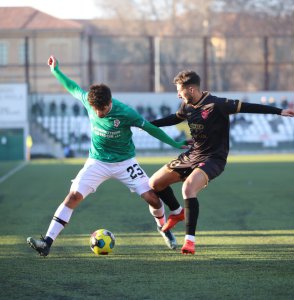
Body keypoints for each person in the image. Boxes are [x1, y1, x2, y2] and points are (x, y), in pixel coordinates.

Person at [27, 56, 188, 257]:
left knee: (153, 199)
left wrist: (174, 143)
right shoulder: (89, 101)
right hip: (97, 161)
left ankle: (164, 229)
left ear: (109, 102)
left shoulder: (126, 113)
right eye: (95, 109)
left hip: (125, 162)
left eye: (101, 109)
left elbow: (150, 129)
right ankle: (47, 242)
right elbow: (72, 87)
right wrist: (55, 71)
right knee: (73, 196)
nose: (98, 112)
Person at [149, 70, 294, 255]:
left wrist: (279, 111)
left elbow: (248, 107)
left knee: (188, 188)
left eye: (180, 90)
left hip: (214, 158)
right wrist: (146, 124)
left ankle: (189, 241)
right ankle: (178, 212)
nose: (178, 94)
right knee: (154, 183)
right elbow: (173, 119)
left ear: (191, 89)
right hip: (192, 155)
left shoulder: (218, 104)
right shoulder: (187, 106)